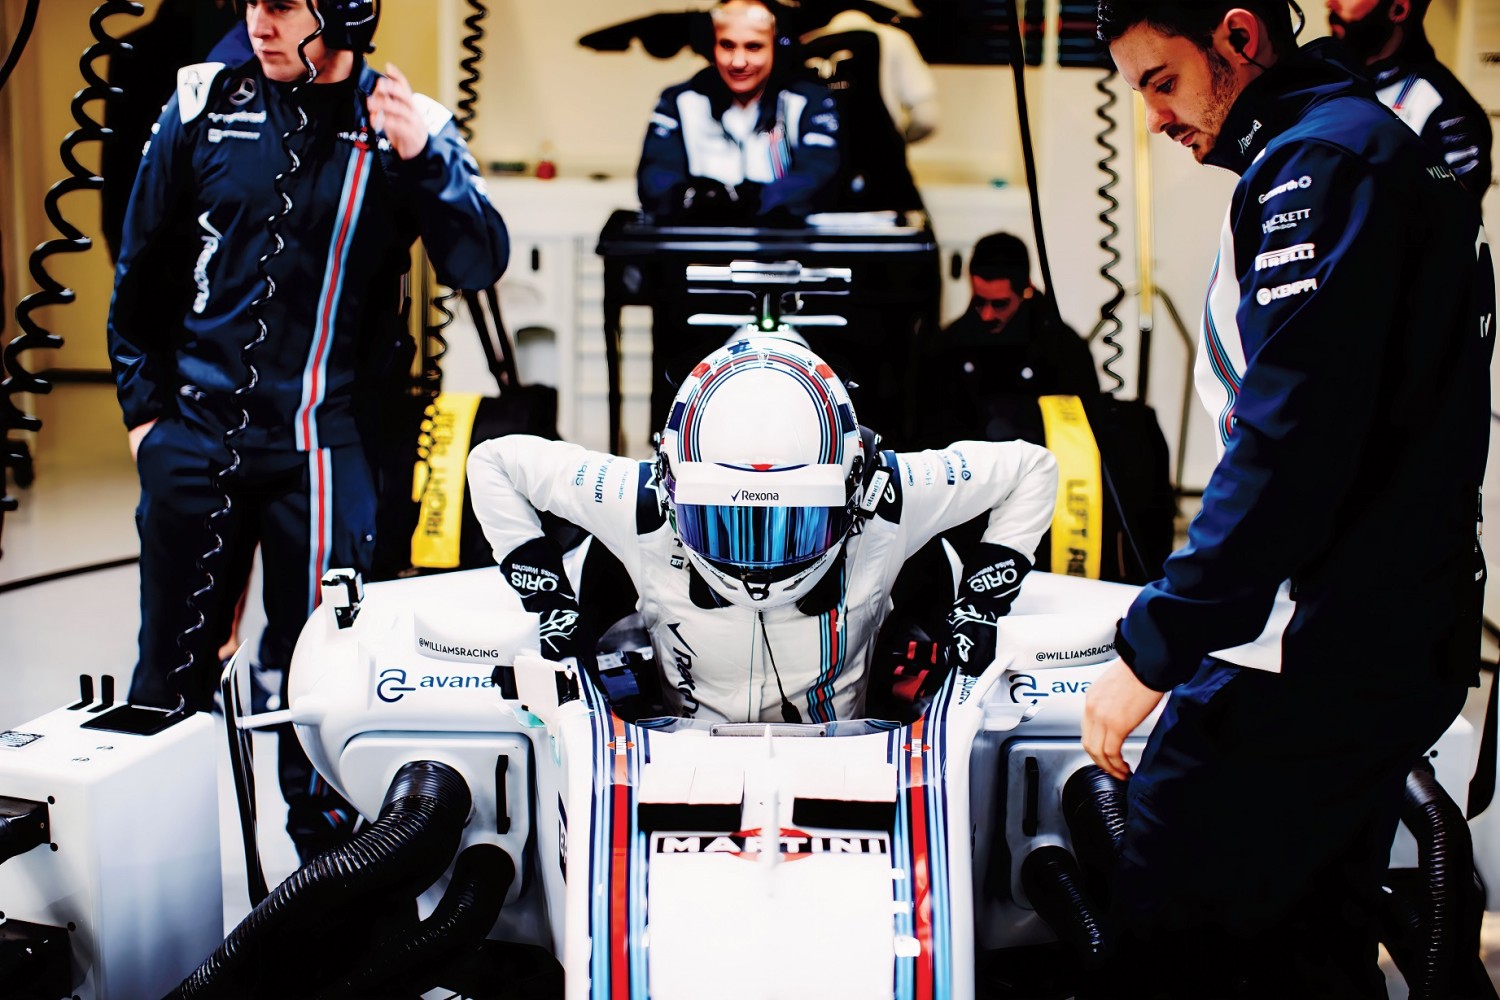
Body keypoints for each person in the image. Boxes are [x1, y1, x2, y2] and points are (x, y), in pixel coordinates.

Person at [1081, 0, 1493, 994]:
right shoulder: (1347, 143)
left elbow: (1289, 443)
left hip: (1320, 643)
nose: (1157, 121)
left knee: (1176, 926)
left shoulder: (1326, 162)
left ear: (1237, 35)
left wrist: (1157, 644)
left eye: (1163, 82)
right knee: (1304, 948)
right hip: (1367, 628)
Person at [108, 0, 509, 862]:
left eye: (283, 4)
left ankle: (325, 915)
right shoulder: (199, 101)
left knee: (321, 688)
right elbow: (137, 265)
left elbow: (479, 263)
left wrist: (425, 162)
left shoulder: (407, 121)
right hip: (193, 443)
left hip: (326, 456)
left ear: (348, 10)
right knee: (163, 689)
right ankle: (152, 898)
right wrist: (145, 420)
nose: (258, 19)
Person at [467, 337, 1057, 724]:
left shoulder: (889, 495)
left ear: (851, 488)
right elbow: (493, 462)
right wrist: (549, 604)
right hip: (671, 751)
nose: (758, 560)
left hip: (852, 756)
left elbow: (1032, 468)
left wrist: (981, 603)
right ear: (673, 486)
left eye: (788, 521)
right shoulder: (639, 499)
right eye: (728, 519)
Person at [636, 0, 842, 223]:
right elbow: (654, 176)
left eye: (753, 47)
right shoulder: (677, 101)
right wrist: (694, 199)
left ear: (778, 47)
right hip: (698, 244)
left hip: (784, 247)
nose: (738, 61)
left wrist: (756, 201)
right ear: (710, 46)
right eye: (727, 45)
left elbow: (820, 174)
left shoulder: (811, 101)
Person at [918, 232, 1100, 447]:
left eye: (1000, 304)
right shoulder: (949, 345)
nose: (987, 315)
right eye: (979, 301)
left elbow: (1083, 428)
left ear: (1026, 290)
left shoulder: (1061, 348)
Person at [1328, 0, 1492, 202]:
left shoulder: (1444, 106)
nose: (1331, 3)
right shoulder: (1328, 85)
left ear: (1399, 8)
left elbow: (1453, 217)